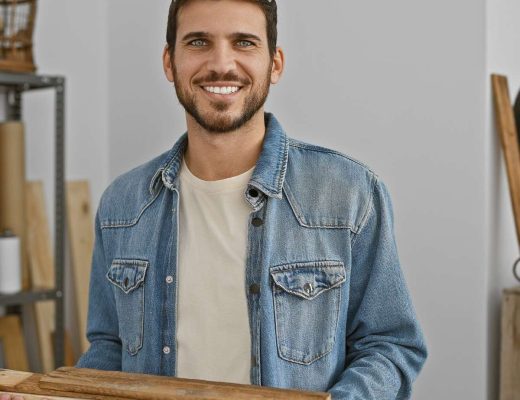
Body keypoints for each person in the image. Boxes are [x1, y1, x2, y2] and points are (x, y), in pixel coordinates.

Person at [1, 1, 427, 399]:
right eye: (198, 42)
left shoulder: (349, 192)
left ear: (274, 63)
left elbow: (390, 344)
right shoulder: (123, 205)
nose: (222, 64)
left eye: (244, 42)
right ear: (170, 61)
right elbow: (110, 347)